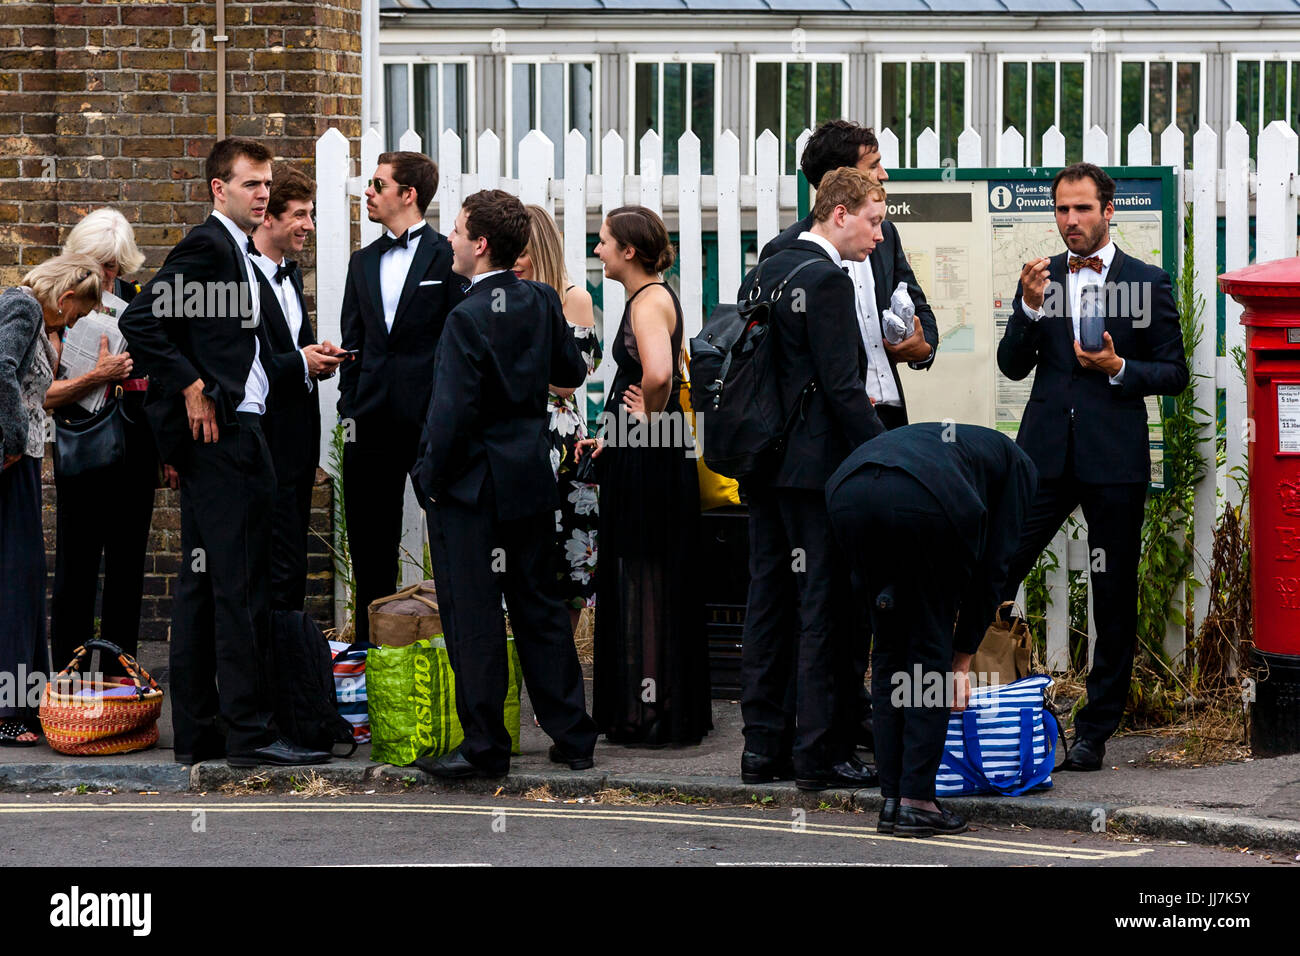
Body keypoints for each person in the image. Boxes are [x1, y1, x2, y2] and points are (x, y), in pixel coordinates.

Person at [119, 138, 329, 767]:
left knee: (206, 583)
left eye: (267, 185)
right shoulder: (209, 247)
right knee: (240, 586)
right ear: (219, 188)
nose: (263, 195)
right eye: (251, 185)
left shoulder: (236, 252)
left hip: (243, 432)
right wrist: (191, 389)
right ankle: (249, 734)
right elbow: (142, 321)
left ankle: (202, 732)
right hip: (225, 437)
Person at [997, 162, 1189, 771]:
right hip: (1045, 455)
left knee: (1113, 596)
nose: (1070, 221)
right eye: (1061, 210)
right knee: (998, 566)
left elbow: (1175, 373)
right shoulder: (1041, 277)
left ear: (1109, 211)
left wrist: (1120, 370)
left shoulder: (1147, 281)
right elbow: (1010, 366)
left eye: (1082, 209)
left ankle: (1094, 731)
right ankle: (983, 703)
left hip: (1113, 460)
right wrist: (1026, 311)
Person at [760, 119, 940, 749]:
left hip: (881, 415)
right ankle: (810, 735)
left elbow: (922, 314)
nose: (886, 178)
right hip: (830, 437)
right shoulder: (791, 256)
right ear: (838, 195)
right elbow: (817, 376)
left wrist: (919, 343)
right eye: (874, 166)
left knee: (866, 587)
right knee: (819, 595)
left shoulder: (881, 242)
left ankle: (851, 717)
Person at [411, 189, 596, 779]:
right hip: (528, 480)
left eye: (459, 230)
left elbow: (449, 414)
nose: (451, 240)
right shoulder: (543, 300)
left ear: (481, 244)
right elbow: (571, 372)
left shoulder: (465, 316)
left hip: (471, 491)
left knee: (476, 615)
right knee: (539, 608)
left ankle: (486, 747)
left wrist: (428, 479)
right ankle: (573, 737)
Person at [735, 168, 886, 790]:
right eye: (875, 221)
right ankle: (818, 756)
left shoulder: (766, 266)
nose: (879, 237)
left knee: (768, 603)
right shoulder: (826, 279)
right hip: (811, 472)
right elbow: (844, 389)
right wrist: (889, 457)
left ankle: (762, 748)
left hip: (762, 466)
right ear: (840, 214)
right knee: (823, 609)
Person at [826, 423, 1038, 836]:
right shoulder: (1021, 470)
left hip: (846, 490)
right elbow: (993, 570)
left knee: (889, 649)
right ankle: (918, 802)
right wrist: (959, 660)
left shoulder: (962, 449)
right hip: (920, 501)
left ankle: (892, 800)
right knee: (927, 654)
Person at [577, 205, 712, 747]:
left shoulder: (648, 301)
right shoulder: (651, 296)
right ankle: (652, 705)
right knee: (650, 570)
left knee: (643, 569)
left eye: (604, 242)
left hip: (651, 454)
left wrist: (644, 419)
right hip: (648, 448)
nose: (598, 251)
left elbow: (657, 373)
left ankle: (648, 711)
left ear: (628, 251)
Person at [337, 151, 463, 643]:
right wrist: (351, 404)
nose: (367, 191)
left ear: (407, 195)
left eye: (377, 183)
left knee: (450, 535)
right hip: (369, 422)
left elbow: (458, 340)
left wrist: (445, 412)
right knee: (371, 545)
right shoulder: (362, 262)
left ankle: (453, 646)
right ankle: (372, 653)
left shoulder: (447, 256)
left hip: (431, 422)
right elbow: (355, 340)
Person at [46, 208, 156, 677]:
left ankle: (117, 673)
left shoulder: (138, 299)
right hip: (81, 441)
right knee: (76, 563)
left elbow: (162, 373)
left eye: (112, 265)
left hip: (133, 440)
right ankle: (68, 675)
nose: (105, 274)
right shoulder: (61, 302)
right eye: (97, 262)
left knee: (129, 563)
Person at [0, 254, 100, 745]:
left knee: (25, 577)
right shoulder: (23, 308)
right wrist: (17, 440)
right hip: (10, 464)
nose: (76, 320)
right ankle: (7, 711)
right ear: (64, 299)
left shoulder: (33, 315)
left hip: (20, 464)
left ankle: (27, 699)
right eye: (78, 313)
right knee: (15, 582)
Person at [251, 163, 346, 612]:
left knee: (291, 564)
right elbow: (238, 363)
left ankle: (286, 668)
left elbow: (285, 352)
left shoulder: (288, 274)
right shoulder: (242, 277)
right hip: (261, 444)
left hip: (296, 446)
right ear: (268, 217)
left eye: (311, 215)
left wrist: (313, 358)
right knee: (265, 565)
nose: (309, 225)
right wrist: (298, 362)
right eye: (300, 215)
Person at [513, 203, 600, 634]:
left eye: (521, 253)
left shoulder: (572, 297)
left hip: (561, 446)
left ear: (539, 250)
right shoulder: (505, 297)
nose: (513, 262)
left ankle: (563, 658)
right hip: (520, 441)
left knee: (568, 562)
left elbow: (569, 381)